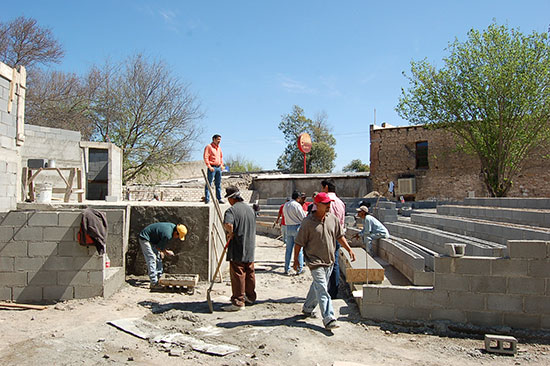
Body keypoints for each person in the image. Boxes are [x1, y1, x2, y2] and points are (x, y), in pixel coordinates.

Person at [293, 192, 356, 330]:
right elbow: (298, 243)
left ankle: (308, 307)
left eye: (329, 203)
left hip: (329, 260)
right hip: (315, 261)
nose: (329, 206)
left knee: (317, 287)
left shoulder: (332, 219)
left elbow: (340, 236)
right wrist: (296, 260)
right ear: (317, 205)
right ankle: (329, 318)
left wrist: (349, 249)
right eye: (325, 204)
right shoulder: (308, 223)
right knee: (322, 288)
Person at [222, 186, 257, 311]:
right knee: (250, 272)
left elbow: (228, 224)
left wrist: (230, 233)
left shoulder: (231, 211)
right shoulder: (250, 210)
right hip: (250, 246)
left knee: (238, 273)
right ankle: (250, 297)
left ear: (232, 198)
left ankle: (238, 301)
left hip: (238, 246)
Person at [138, 222, 188, 290]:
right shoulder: (167, 235)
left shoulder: (172, 227)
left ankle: (159, 278)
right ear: (176, 232)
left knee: (158, 256)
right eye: (178, 236)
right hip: (145, 238)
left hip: (152, 240)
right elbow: (159, 248)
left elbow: (159, 247)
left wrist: (162, 251)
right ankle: (154, 283)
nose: (177, 238)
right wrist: (166, 252)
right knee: (152, 258)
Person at [321, 179, 346, 299]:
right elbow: (342, 222)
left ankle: (325, 290)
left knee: (323, 263)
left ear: (326, 187)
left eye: (322, 187)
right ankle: (334, 290)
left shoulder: (326, 202)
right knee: (334, 262)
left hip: (327, 236)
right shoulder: (341, 203)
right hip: (338, 236)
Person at [283, 190, 307, 275]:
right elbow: (303, 217)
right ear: (298, 198)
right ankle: (299, 268)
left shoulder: (286, 205)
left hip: (288, 227)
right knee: (298, 249)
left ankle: (286, 268)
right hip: (297, 227)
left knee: (288, 249)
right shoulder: (297, 205)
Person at [203, 134, 225, 204]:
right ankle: (207, 199)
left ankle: (219, 199)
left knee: (218, 184)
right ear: (214, 139)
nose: (219, 141)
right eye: (218, 139)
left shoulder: (219, 148)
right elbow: (206, 157)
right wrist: (209, 166)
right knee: (209, 183)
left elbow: (221, 157)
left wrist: (221, 165)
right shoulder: (209, 147)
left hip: (218, 167)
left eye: (220, 140)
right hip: (212, 167)